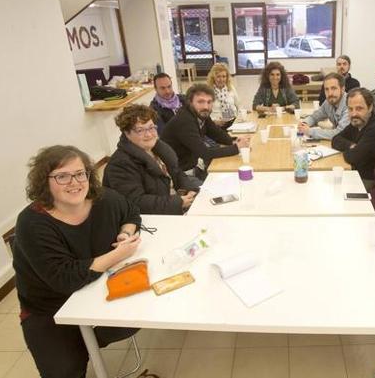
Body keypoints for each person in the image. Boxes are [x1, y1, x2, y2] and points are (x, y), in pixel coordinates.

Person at [13, 145, 142, 378]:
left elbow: (131, 211)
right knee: (64, 371)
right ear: (45, 181)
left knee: (136, 317)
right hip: (49, 308)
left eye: (80, 173)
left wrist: (125, 232)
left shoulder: (103, 200)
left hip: (97, 289)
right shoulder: (32, 223)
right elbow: (65, 279)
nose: (74, 182)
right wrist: (117, 254)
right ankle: (77, 347)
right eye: (62, 176)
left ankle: (85, 343)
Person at [103, 104, 202, 215]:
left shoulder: (157, 149)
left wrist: (190, 189)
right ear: (126, 133)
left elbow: (177, 172)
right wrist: (178, 203)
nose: (149, 134)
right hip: (151, 219)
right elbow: (135, 202)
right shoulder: (120, 165)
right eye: (140, 130)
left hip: (171, 206)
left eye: (151, 127)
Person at [160, 83, 250, 180]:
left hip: (193, 164)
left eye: (209, 102)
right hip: (180, 173)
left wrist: (234, 140)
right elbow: (205, 153)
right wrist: (237, 148)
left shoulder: (200, 114)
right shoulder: (184, 121)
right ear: (190, 102)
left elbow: (216, 133)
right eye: (200, 102)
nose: (206, 107)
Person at [331, 88, 375, 188]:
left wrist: (352, 151)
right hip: (355, 173)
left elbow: (353, 157)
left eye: (359, 108)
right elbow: (335, 139)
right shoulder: (357, 122)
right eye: (350, 109)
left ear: (370, 108)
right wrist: (351, 145)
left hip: (371, 181)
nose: (353, 114)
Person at [298, 72, 350, 140]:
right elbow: (314, 117)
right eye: (326, 89)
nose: (330, 93)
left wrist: (310, 131)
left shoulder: (350, 105)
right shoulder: (328, 102)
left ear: (342, 89)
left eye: (333, 88)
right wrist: (304, 124)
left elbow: (340, 133)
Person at [206, 63, 240, 130]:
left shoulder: (231, 88)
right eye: (218, 76)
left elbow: (238, 104)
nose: (221, 79)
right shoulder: (208, 91)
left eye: (224, 76)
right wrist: (214, 122)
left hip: (233, 122)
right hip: (216, 125)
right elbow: (204, 114)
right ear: (213, 77)